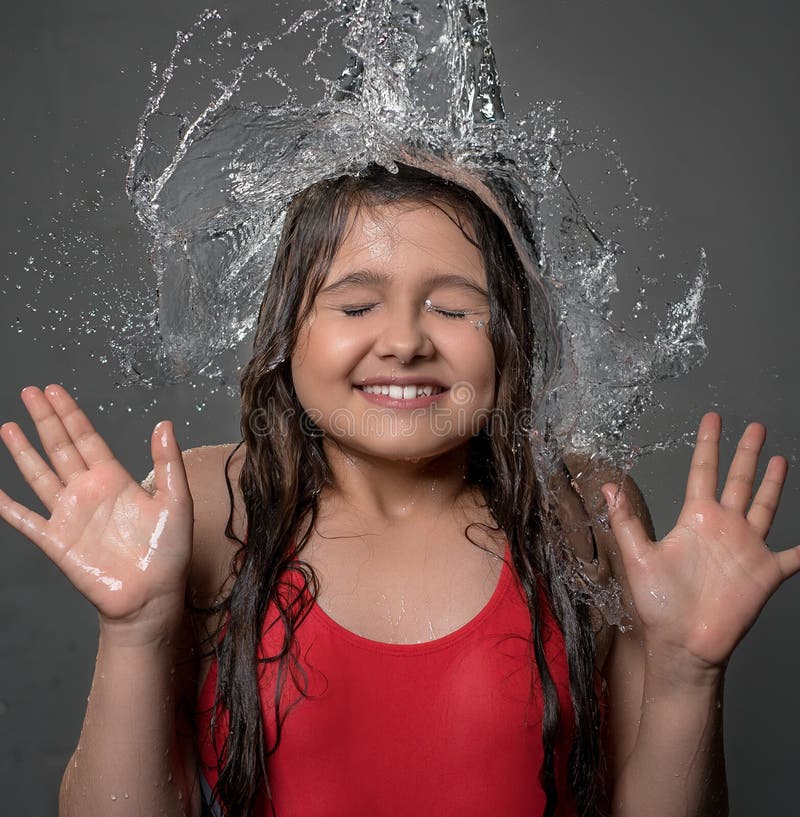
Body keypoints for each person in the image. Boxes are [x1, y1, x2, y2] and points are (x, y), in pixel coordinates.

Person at [0, 163, 793, 817]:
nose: (406, 341)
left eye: (453, 307)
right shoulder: (206, 508)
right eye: (355, 304)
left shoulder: (585, 510)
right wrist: (135, 629)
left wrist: (688, 671)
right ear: (287, 329)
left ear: (511, 334)